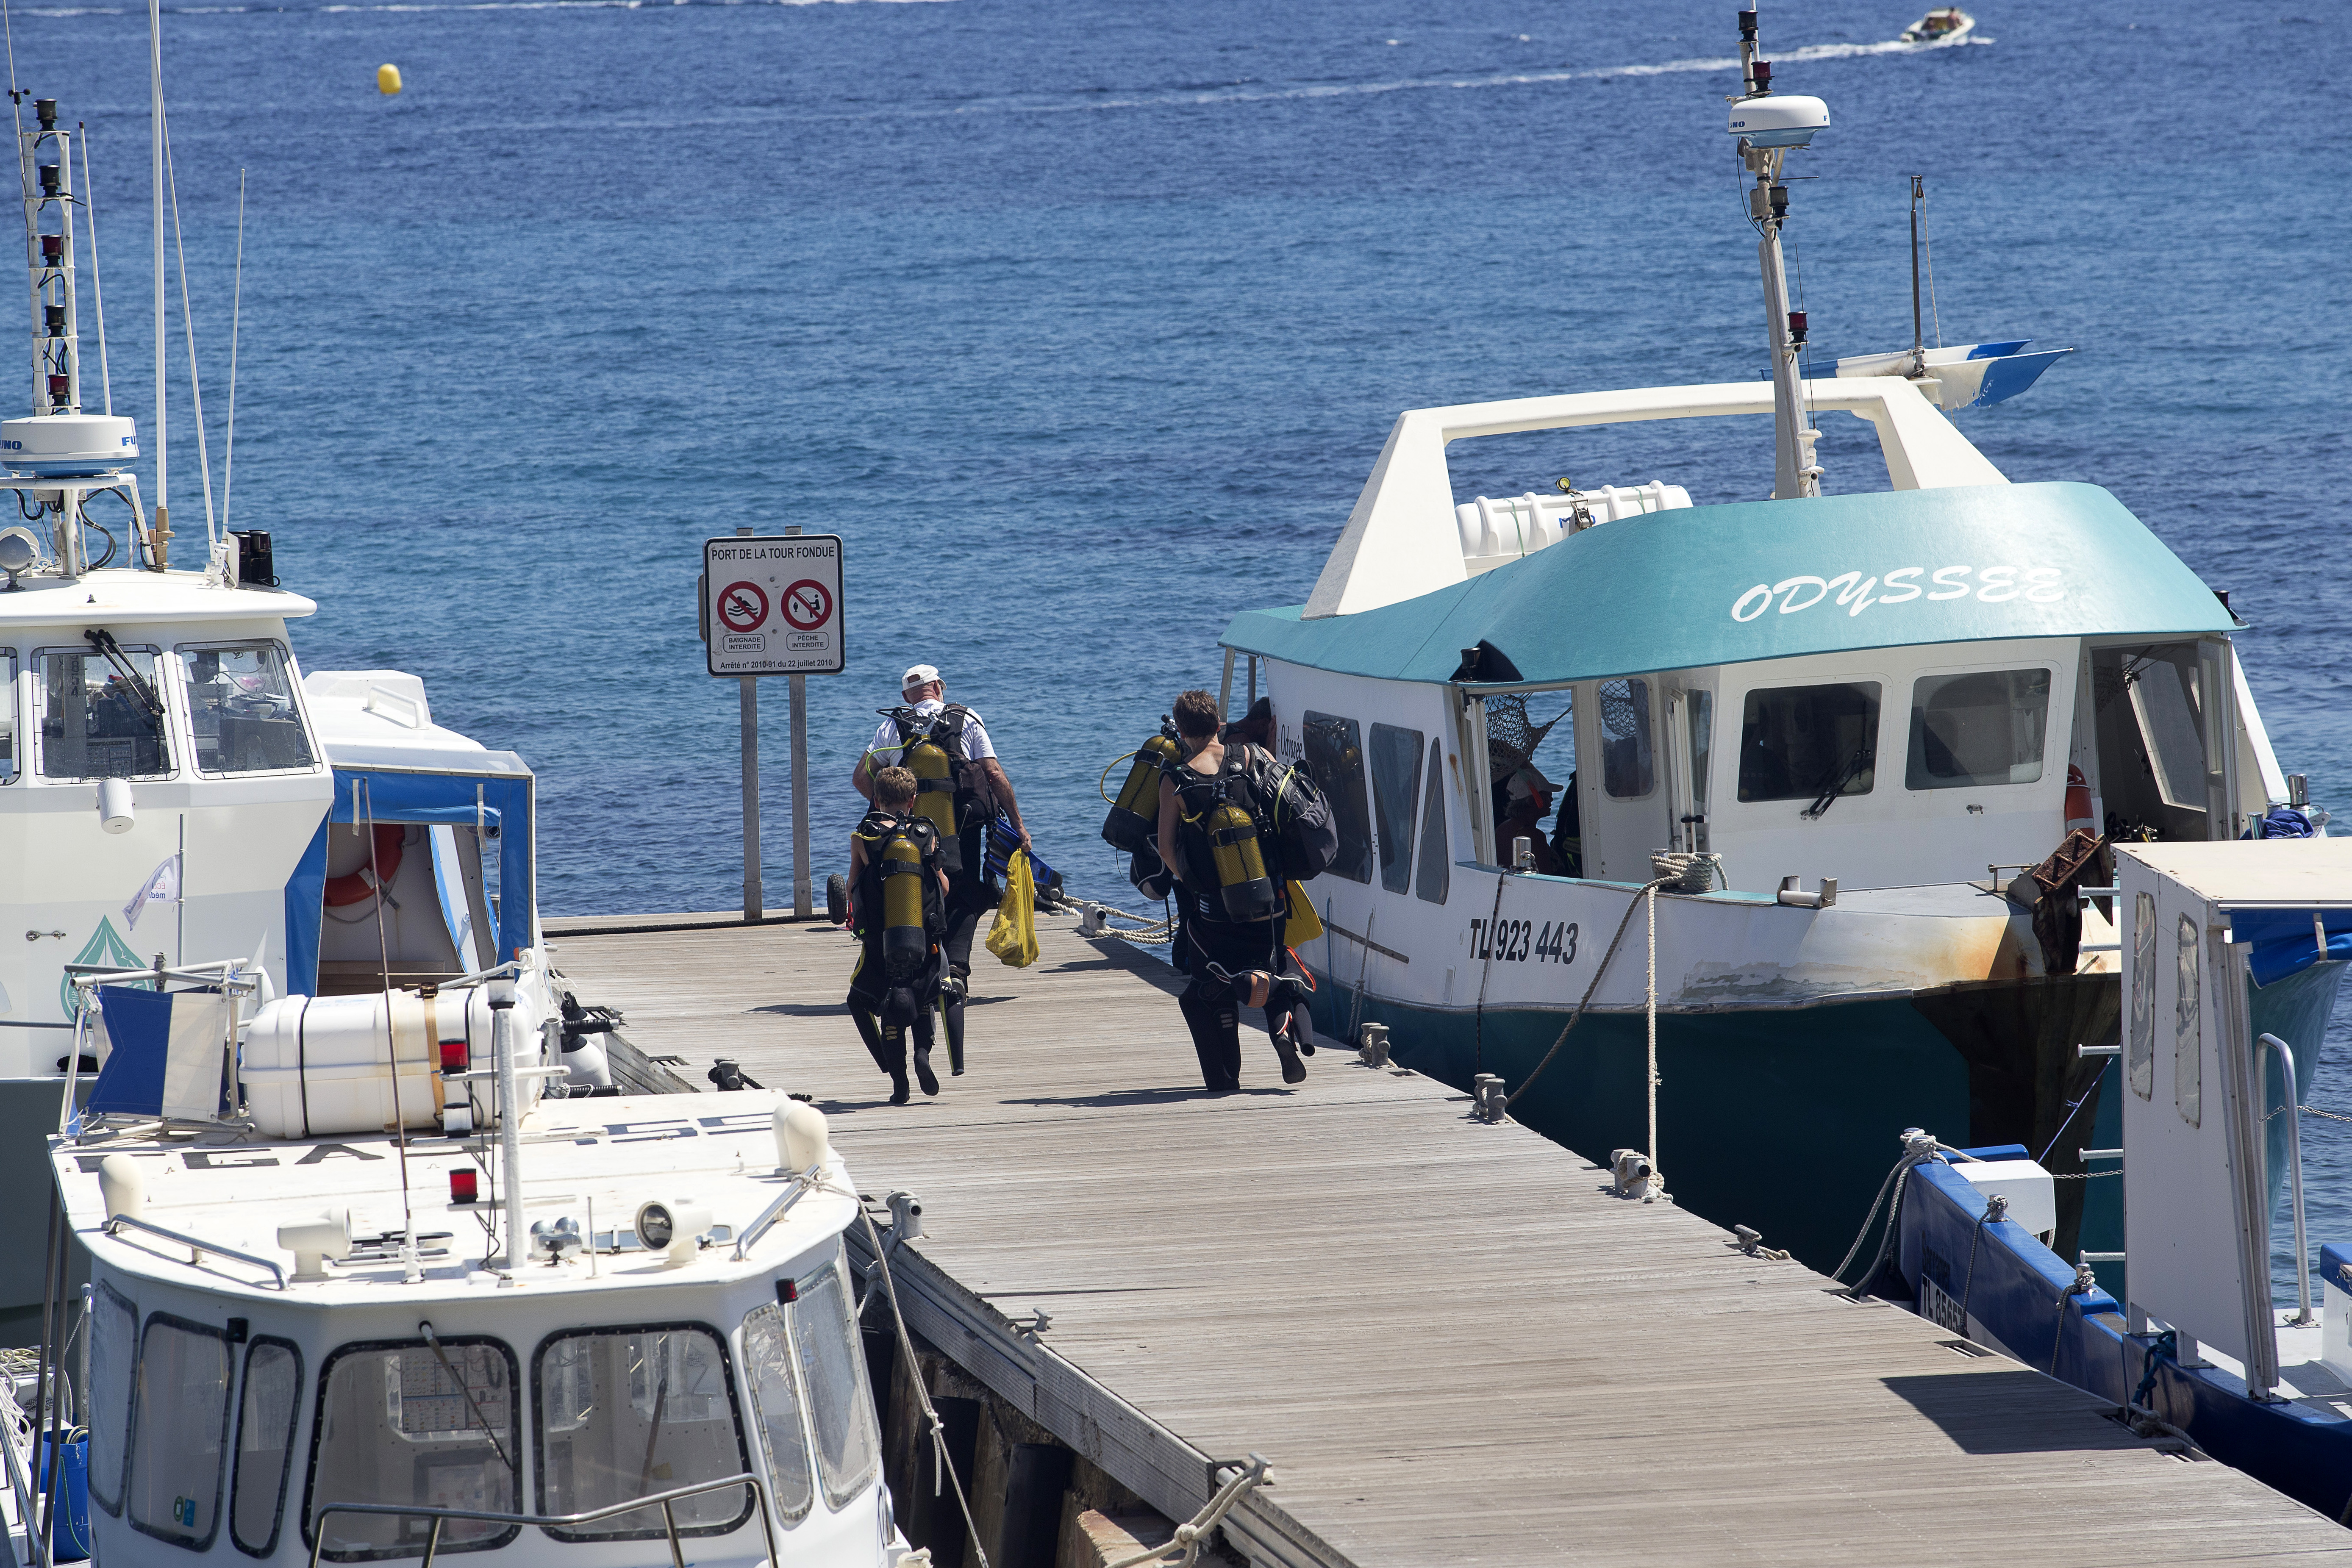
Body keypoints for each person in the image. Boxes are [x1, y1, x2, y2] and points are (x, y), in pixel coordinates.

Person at [852, 663, 1029, 1076]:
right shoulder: (966, 718)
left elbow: (863, 777)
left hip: (904, 830)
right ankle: (958, 972)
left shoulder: (890, 730)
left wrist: (886, 816)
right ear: (938, 688)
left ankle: (915, 969)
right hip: (959, 830)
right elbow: (994, 774)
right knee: (967, 893)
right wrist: (1018, 824)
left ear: (906, 696)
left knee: (913, 892)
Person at [1156, 687, 1313, 1092]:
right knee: (1275, 965)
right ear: (1219, 724)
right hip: (1270, 900)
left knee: (1212, 982)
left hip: (1214, 909)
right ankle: (1282, 1033)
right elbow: (1283, 802)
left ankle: (1227, 1074)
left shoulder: (1175, 780)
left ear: (1180, 729)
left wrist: (1193, 886)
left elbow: (1166, 848)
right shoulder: (1252, 757)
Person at [846, 766, 950, 1104]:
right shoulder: (926, 834)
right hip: (922, 938)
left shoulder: (863, 836)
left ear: (876, 799)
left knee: (877, 1002)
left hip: (880, 941)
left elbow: (851, 889)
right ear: (913, 799)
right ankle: (923, 1054)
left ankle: (898, 1082)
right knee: (924, 998)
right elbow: (943, 887)